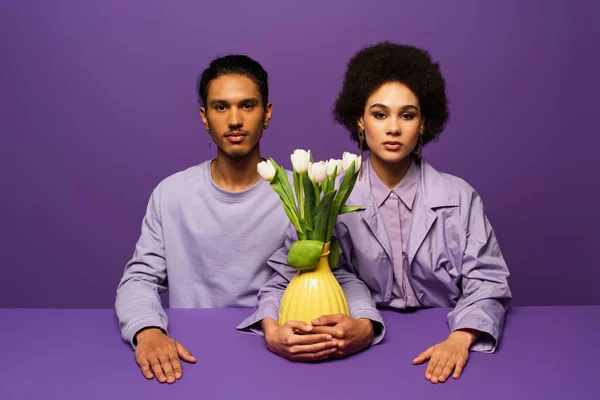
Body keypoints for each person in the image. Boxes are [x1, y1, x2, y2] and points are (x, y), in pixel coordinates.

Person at [116, 54, 381, 384]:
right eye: (221, 107)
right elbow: (139, 278)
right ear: (204, 117)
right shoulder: (171, 194)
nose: (234, 120)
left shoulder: (303, 195)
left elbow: (339, 274)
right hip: (191, 356)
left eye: (247, 105)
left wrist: (366, 323)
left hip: (278, 354)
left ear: (266, 113)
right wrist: (147, 330)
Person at [332, 42, 512, 383]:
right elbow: (329, 275)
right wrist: (363, 321)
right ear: (359, 119)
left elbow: (488, 280)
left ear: (424, 122)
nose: (394, 128)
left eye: (407, 115)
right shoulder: (332, 198)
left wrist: (461, 338)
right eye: (380, 114)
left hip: (447, 342)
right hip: (362, 345)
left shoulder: (460, 196)